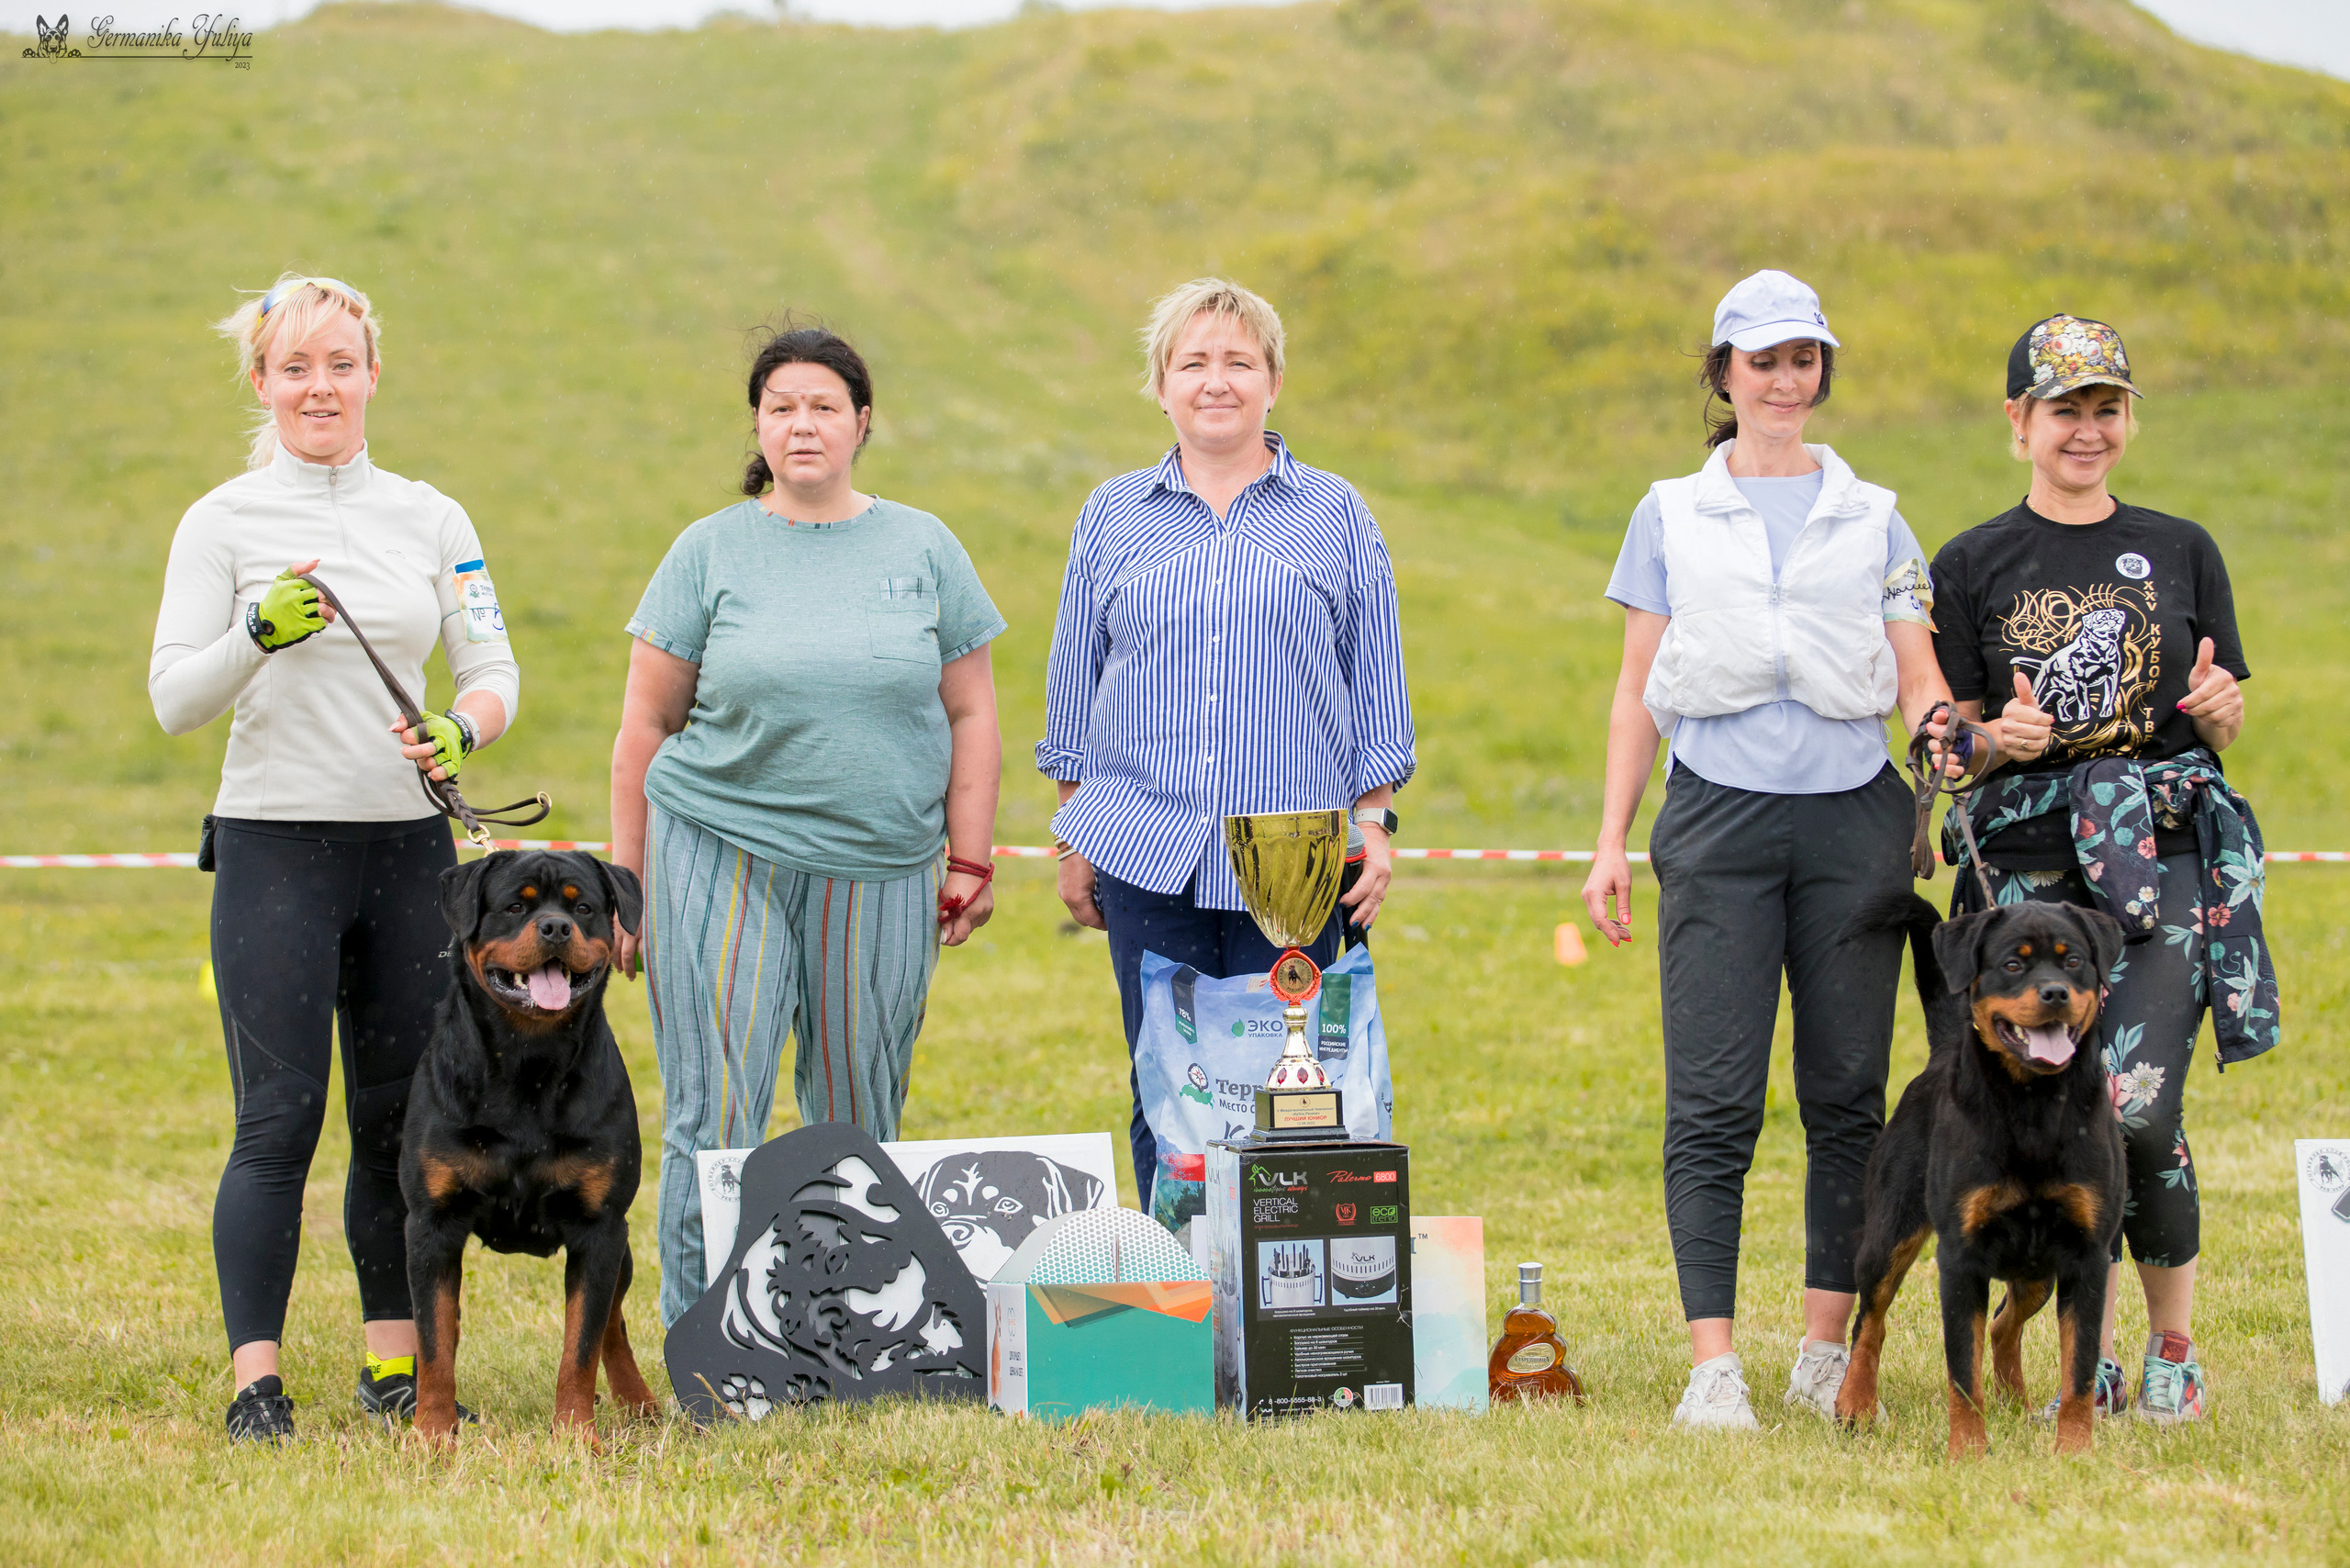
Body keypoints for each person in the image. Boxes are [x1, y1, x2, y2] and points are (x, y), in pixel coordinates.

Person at [1581, 270, 1961, 1431]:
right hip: (1715, 818)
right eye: (1763, 361)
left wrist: (1950, 737)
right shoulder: (1668, 512)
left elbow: (1914, 674)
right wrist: (1608, 840)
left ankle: (1820, 1346)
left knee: (1847, 1092)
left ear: (1821, 373)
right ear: (1724, 374)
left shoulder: (1878, 515)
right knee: (1712, 1098)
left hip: (1856, 818)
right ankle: (1713, 1366)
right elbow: (1638, 686)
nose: (1785, 380)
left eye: (1804, 360)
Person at [149, 274, 520, 1443]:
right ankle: (256, 1383)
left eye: (341, 364)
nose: (321, 386)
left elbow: (493, 670)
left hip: (408, 855)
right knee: (278, 1120)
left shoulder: (432, 515)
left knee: (398, 1119)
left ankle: (394, 1366)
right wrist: (255, 635)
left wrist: (465, 728)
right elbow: (171, 700)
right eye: (295, 367)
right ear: (262, 383)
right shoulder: (222, 521)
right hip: (274, 849)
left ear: (373, 376)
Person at [611, 323, 1006, 1327]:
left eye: (824, 406)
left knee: (856, 1109)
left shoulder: (924, 546)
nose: (802, 424)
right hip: (717, 846)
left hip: (878, 864)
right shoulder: (709, 550)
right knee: (716, 1108)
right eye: (782, 405)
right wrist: (627, 884)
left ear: (861, 423)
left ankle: (848, 1331)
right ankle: (704, 1337)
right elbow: (646, 725)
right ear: (758, 422)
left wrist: (970, 854)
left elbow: (971, 712)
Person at [1927, 315, 2275, 1426]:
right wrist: (1992, 742)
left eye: (2104, 408)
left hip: (2156, 864)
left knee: (2131, 1106)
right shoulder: (1971, 562)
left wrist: (2222, 713)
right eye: (2063, 408)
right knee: (2014, 1112)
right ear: (2017, 422)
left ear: (2128, 419)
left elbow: (2213, 708)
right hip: (2016, 878)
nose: (2086, 429)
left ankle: (2168, 1348)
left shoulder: (2183, 548)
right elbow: (1942, 740)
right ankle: (2087, 1360)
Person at [1038, 277, 1416, 1211]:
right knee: (1162, 1086)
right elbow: (1073, 687)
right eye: (1193, 362)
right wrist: (1074, 833)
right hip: (1142, 852)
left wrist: (1373, 823)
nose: (1216, 381)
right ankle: (1182, 1312)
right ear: (1161, 383)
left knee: (1290, 1092)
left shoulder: (1335, 513)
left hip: (1292, 865)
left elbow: (1376, 686)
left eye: (1238, 362)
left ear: (1272, 381)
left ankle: (1278, 1319)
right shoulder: (1110, 515)